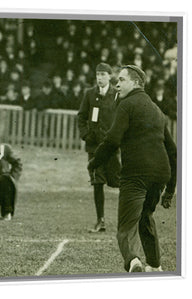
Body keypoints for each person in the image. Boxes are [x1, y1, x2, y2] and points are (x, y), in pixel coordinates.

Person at [88, 65, 177, 272]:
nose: (116, 84)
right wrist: (171, 189)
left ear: (136, 83)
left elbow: (112, 140)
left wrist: (94, 162)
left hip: (136, 173)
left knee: (126, 226)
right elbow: (173, 152)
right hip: (160, 174)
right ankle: (155, 266)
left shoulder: (126, 105)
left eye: (121, 80)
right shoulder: (157, 109)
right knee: (145, 217)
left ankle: (133, 261)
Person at [77, 63, 121, 233]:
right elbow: (81, 117)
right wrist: (86, 135)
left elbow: (123, 118)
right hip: (94, 148)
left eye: (103, 75)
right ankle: (100, 220)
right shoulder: (89, 94)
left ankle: (128, 219)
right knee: (97, 181)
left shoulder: (117, 95)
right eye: (98, 75)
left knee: (118, 181)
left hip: (111, 147)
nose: (100, 78)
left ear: (110, 76)